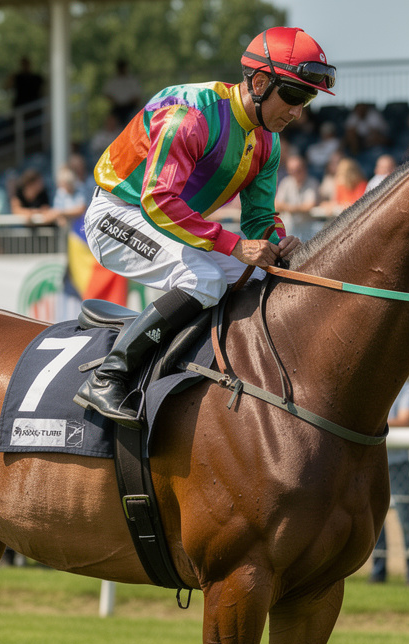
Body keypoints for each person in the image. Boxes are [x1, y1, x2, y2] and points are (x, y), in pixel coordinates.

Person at [76, 26, 334, 426]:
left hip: (170, 225)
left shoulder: (268, 140)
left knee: (262, 282)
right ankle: (110, 376)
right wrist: (234, 246)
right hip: (117, 213)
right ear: (261, 82)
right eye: (295, 96)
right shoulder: (192, 115)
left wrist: (279, 245)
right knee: (203, 280)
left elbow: (260, 219)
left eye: (308, 99)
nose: (299, 111)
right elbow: (157, 201)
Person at [370, 381, 409, 586]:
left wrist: (374, 421)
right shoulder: (374, 386)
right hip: (373, 461)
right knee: (375, 520)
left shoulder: (408, 388)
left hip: (397, 464)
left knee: (404, 517)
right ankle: (379, 571)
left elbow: (405, 420)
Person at [274, 153, 320, 241]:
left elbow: (309, 206)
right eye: (291, 170)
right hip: (289, 229)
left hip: (307, 231)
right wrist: (297, 208)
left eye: (298, 170)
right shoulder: (286, 182)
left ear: (304, 168)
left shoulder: (312, 182)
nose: (294, 173)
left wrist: (288, 208)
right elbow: (277, 205)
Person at [103, 59, 143, 127]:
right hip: (117, 107)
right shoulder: (113, 81)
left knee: (133, 122)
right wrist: (116, 102)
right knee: (112, 122)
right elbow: (107, 94)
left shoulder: (132, 80)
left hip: (130, 107)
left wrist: (129, 103)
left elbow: (137, 96)